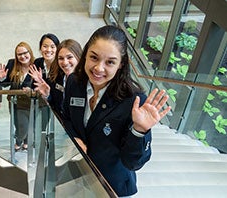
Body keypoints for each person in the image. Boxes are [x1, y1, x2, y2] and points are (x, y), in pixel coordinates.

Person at [62, 25, 171, 197]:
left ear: (121, 65)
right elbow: (66, 118)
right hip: (78, 173)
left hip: (112, 184)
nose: (98, 68)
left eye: (110, 62)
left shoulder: (134, 101)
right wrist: (75, 139)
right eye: (94, 58)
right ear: (85, 56)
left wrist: (140, 130)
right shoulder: (74, 83)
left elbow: (133, 163)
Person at [0, 42, 39, 151]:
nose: (22, 56)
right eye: (19, 54)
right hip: (15, 102)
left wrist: (32, 90)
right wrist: (1, 78)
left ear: (30, 52)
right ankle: (21, 141)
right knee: (20, 125)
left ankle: (22, 142)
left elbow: (40, 85)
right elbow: (6, 84)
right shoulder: (12, 64)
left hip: (30, 102)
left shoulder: (37, 65)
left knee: (29, 125)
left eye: (25, 53)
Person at [29, 39, 82, 119]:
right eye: (61, 58)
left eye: (69, 57)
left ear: (79, 57)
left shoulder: (87, 81)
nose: (65, 62)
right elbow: (55, 105)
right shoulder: (56, 79)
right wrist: (47, 95)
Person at [33, 33, 59, 131]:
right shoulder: (37, 62)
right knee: (40, 127)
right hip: (42, 104)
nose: (48, 50)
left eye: (52, 47)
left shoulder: (61, 65)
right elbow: (32, 84)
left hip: (58, 106)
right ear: (40, 49)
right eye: (45, 46)